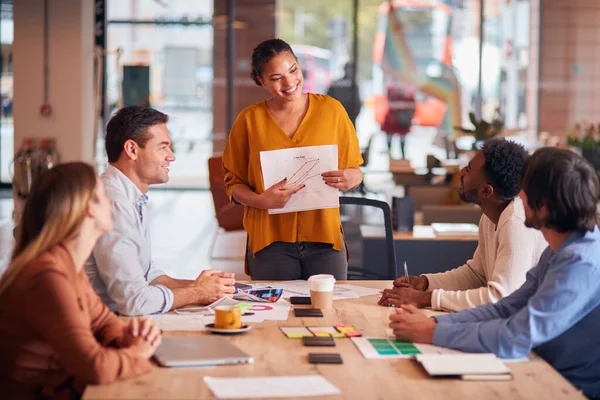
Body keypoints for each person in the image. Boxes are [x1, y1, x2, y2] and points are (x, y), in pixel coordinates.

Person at [389, 148, 600, 399]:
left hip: (569, 386)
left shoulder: (580, 263)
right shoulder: (559, 249)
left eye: (526, 188)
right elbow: (505, 308)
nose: (518, 194)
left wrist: (431, 333)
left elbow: (515, 336)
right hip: (542, 367)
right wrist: (435, 323)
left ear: (543, 207)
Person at [0, 163, 161, 398]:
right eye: (103, 195)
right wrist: (137, 352)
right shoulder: (47, 278)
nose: (111, 201)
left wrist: (126, 338)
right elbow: (96, 367)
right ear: (89, 209)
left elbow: (104, 321)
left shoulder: (68, 266)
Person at [222, 38, 364, 280]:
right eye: (276, 78)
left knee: (330, 312)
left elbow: (355, 171)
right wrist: (260, 200)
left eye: (293, 70)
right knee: (274, 315)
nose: (289, 82)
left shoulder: (332, 110)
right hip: (270, 242)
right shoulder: (249, 121)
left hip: (325, 239)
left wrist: (350, 177)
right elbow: (232, 184)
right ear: (261, 81)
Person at [85, 106, 235, 316]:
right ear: (132, 150)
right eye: (163, 147)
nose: (171, 157)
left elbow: (146, 273)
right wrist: (199, 293)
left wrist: (203, 287)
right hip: (104, 325)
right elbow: (135, 301)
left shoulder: (130, 195)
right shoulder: (113, 203)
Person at [379, 138, 547, 312]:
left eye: (469, 169)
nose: (461, 171)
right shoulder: (491, 215)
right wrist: (425, 283)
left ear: (486, 191)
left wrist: (424, 299)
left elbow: (500, 298)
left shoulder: (516, 222)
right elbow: (477, 274)